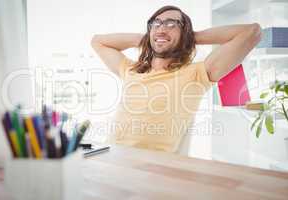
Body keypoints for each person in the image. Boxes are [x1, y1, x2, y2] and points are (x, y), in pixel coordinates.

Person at [91, 5, 261, 152]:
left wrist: (189, 38)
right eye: (156, 24)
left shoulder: (197, 74)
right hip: (110, 156)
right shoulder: (131, 69)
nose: (162, 28)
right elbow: (97, 41)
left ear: (184, 32)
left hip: (151, 170)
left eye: (171, 24)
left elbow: (252, 32)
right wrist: (148, 38)